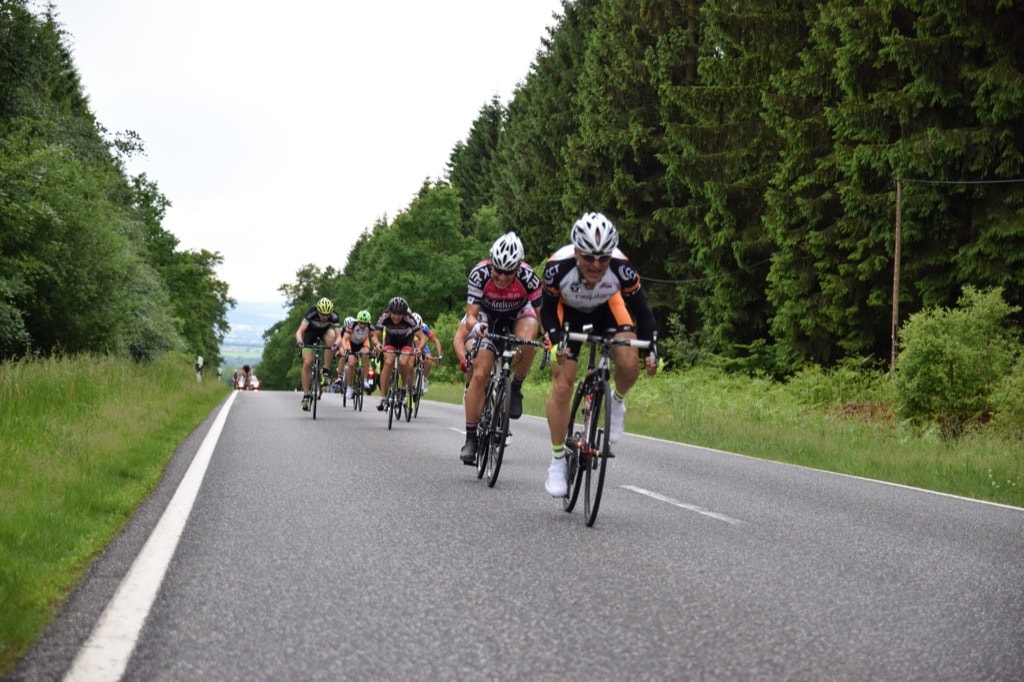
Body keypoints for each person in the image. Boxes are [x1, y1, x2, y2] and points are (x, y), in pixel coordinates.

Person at [540, 212, 657, 496]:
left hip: (607, 308)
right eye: (589, 257)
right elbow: (547, 311)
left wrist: (652, 348)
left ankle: (616, 401)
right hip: (567, 313)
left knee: (629, 362)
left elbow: (642, 311)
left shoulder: (621, 268)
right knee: (563, 383)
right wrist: (555, 343)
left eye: (603, 258)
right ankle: (557, 461)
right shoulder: (557, 267)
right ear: (576, 252)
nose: (596, 264)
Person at [459, 232, 542, 465]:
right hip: (488, 316)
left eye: (509, 271)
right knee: (480, 373)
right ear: (491, 263)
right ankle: (471, 439)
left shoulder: (529, 277)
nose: (502, 276)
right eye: (498, 270)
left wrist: (552, 338)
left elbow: (542, 314)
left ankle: (516, 387)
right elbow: (471, 315)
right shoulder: (479, 274)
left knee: (529, 338)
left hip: (519, 312)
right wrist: (477, 327)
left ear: (518, 267)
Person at [375, 296, 424, 411]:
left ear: (404, 314)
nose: (396, 317)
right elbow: (375, 335)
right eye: (394, 314)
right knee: (388, 362)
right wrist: (377, 344)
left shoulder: (409, 318)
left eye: (399, 315)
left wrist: (419, 348)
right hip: (390, 341)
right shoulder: (385, 316)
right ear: (390, 312)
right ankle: (382, 397)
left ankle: (404, 387)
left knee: (403, 362)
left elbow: (422, 337)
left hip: (406, 342)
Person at [294, 297, 342, 411]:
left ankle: (325, 370)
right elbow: (299, 331)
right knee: (307, 362)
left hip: (324, 333)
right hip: (309, 335)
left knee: (331, 337)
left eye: (327, 315)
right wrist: (300, 341)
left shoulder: (334, 316)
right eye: (322, 314)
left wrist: (336, 344)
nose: (324, 317)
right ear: (318, 311)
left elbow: (339, 336)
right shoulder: (311, 312)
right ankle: (306, 396)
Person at [341, 310, 382, 400]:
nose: (363, 325)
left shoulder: (370, 326)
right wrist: (346, 349)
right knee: (351, 363)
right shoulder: (352, 324)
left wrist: (377, 345)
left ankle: (365, 380)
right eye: (361, 323)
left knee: (365, 354)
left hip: (362, 343)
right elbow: (344, 339)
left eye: (365, 323)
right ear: (358, 321)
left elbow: (373, 337)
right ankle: (349, 387)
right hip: (351, 344)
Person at [410, 312, 443, 393]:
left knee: (428, 360)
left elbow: (435, 340)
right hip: (410, 344)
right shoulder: (406, 326)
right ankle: (411, 380)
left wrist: (439, 354)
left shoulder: (424, 327)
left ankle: (424, 378)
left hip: (422, 344)